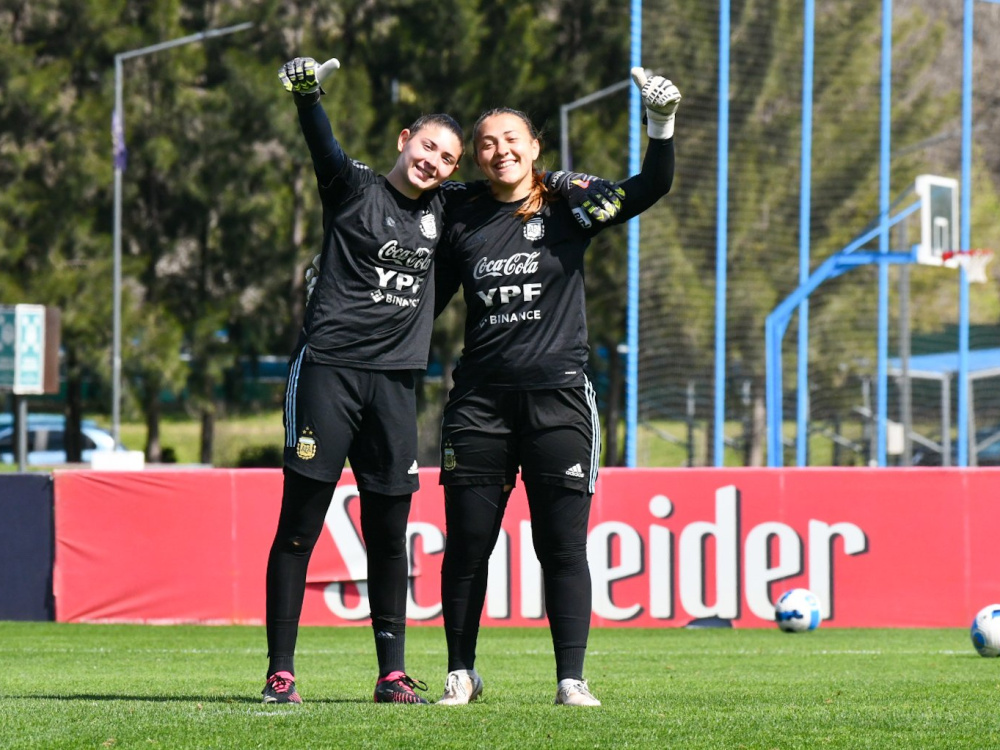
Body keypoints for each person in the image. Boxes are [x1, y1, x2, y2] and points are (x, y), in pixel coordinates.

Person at [263, 56, 622, 706]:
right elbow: (326, 147)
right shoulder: (354, 187)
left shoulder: (448, 210)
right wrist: (308, 97)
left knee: (388, 536)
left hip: (397, 386)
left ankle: (391, 673)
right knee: (300, 526)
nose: (435, 161)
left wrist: (565, 179)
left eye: (449, 157)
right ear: (405, 141)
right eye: (428, 147)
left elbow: (515, 183)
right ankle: (280, 672)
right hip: (328, 376)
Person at [432, 67, 681, 707]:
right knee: (466, 546)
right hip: (479, 406)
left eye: (511, 138)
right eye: (487, 142)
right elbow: (419, 285)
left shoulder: (569, 202)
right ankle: (461, 672)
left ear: (535, 146)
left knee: (562, 548)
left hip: (560, 402)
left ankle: (572, 680)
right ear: (477, 155)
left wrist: (661, 125)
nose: (500, 150)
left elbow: (650, 186)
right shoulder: (459, 212)